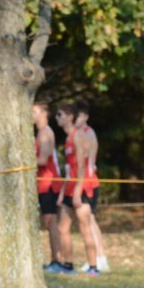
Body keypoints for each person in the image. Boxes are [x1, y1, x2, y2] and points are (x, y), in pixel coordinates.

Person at [55, 103, 100, 277]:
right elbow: (69, 169)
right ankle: (68, 265)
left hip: (83, 187)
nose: (57, 118)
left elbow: (81, 166)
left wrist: (77, 192)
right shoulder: (67, 139)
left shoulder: (78, 136)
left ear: (69, 117)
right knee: (63, 228)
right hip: (70, 187)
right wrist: (62, 193)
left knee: (85, 227)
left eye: (59, 115)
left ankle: (93, 267)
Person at [74, 101, 109, 273]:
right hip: (85, 180)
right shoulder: (78, 133)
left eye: (79, 116)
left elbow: (87, 159)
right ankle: (97, 258)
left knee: (90, 220)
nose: (76, 119)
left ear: (85, 116)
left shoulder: (88, 133)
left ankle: (100, 258)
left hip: (88, 182)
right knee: (88, 221)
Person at [33, 102, 64, 273]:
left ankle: (57, 261)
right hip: (42, 182)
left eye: (34, 111)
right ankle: (55, 260)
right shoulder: (40, 133)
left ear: (44, 113)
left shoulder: (45, 133)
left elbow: (43, 160)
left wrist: (23, 163)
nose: (32, 114)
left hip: (49, 182)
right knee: (48, 222)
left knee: (51, 222)